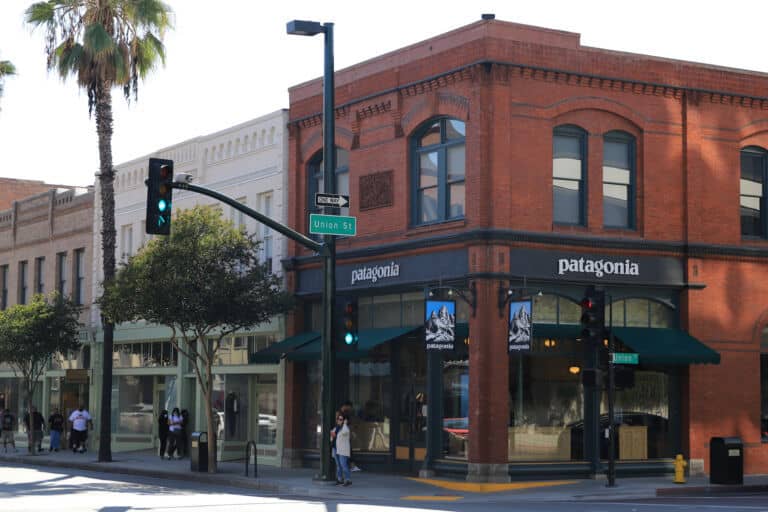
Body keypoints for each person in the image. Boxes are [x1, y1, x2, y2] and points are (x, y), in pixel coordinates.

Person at [340, 400, 362, 472]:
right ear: (346, 406)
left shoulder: (345, 414)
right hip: (343, 436)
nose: (350, 409)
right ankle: (350, 466)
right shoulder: (341, 414)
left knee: (347, 451)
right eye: (350, 407)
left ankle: (350, 466)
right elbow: (340, 424)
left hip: (344, 435)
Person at [331, 413, 352, 486]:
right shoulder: (336, 428)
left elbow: (345, 432)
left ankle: (348, 479)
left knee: (343, 465)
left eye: (341, 419)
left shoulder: (345, 428)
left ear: (344, 420)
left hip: (342, 450)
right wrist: (332, 436)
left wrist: (345, 424)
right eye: (338, 419)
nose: (339, 421)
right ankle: (339, 479)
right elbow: (332, 437)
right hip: (335, 449)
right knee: (338, 466)